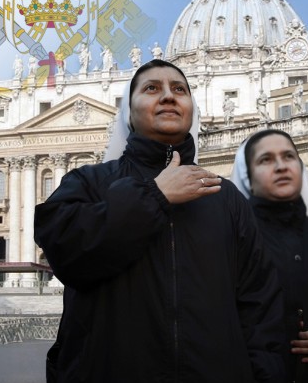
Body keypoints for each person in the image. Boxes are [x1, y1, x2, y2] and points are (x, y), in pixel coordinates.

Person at [35, 59, 286, 382]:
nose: (168, 96)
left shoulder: (227, 198)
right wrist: (155, 196)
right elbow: (66, 253)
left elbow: (260, 305)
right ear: (129, 113)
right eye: (152, 88)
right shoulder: (87, 183)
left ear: (192, 109)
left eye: (179, 89)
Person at [232, 130, 308, 383]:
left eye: (289, 156)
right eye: (265, 159)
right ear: (248, 177)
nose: (281, 166)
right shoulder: (233, 238)